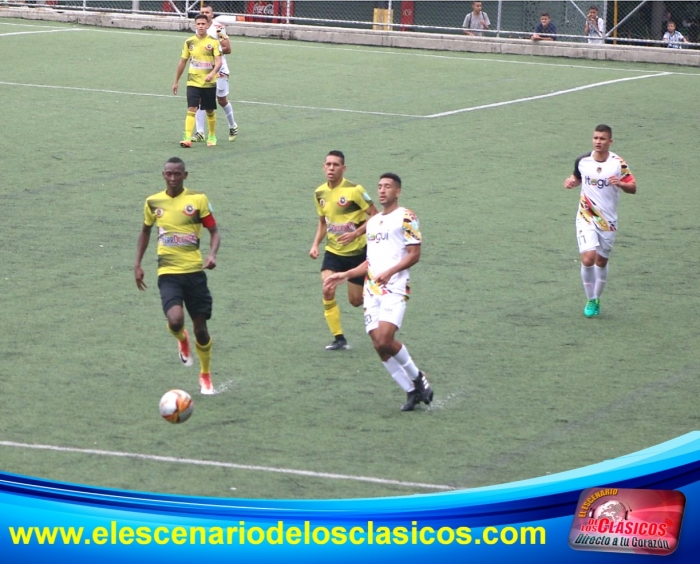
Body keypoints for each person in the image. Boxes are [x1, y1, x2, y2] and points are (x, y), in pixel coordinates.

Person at [324, 173, 434, 412]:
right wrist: (345, 274)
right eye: (380, 186)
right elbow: (370, 261)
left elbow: (415, 254)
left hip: (394, 289)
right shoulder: (373, 223)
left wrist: (390, 272)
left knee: (385, 339)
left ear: (398, 191)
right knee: (378, 344)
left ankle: (418, 377)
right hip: (371, 291)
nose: (382, 190)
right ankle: (411, 391)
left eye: (388, 187)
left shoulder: (406, 217)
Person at [134, 157, 221, 395]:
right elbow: (145, 231)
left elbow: (214, 231)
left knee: (201, 330)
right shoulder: (153, 202)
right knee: (175, 320)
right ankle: (181, 339)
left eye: (177, 174)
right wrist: (137, 264)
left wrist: (212, 254)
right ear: (163, 175)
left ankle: (205, 375)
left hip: (195, 273)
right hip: (168, 273)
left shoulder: (198, 200)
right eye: (169, 174)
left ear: (185, 175)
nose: (173, 178)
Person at [563, 125, 637, 318]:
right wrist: (571, 182)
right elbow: (577, 178)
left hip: (607, 221)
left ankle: (597, 298)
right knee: (588, 258)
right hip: (586, 216)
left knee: (601, 261)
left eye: (602, 139)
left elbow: (633, 187)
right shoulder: (583, 161)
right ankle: (591, 299)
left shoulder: (618, 163)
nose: (598, 141)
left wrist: (620, 184)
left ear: (610, 142)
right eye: (595, 138)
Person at [309, 151, 378, 351]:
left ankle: (378, 298)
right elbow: (323, 222)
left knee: (355, 301)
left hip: (358, 253)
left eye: (336, 165)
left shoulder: (355, 190)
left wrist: (356, 234)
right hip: (334, 252)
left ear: (343, 168)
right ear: (323, 167)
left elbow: (375, 216)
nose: (331, 168)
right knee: (327, 287)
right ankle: (339, 338)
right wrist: (315, 244)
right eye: (328, 164)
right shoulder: (319, 193)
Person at [173, 13, 222, 148]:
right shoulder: (189, 42)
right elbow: (183, 62)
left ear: (207, 25)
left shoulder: (213, 42)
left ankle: (211, 136)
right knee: (192, 108)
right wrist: (176, 81)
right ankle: (187, 138)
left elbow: (219, 62)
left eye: (203, 24)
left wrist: (212, 73)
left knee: (209, 111)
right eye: (198, 24)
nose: (200, 26)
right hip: (193, 82)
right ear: (195, 25)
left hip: (208, 83)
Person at [192, 2, 239, 144]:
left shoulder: (219, 28)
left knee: (221, 100)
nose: (204, 15)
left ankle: (232, 126)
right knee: (200, 99)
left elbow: (228, 48)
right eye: (202, 12)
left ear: (212, 15)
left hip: (220, 71)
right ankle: (200, 132)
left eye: (207, 12)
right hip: (204, 70)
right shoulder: (199, 29)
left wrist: (212, 50)